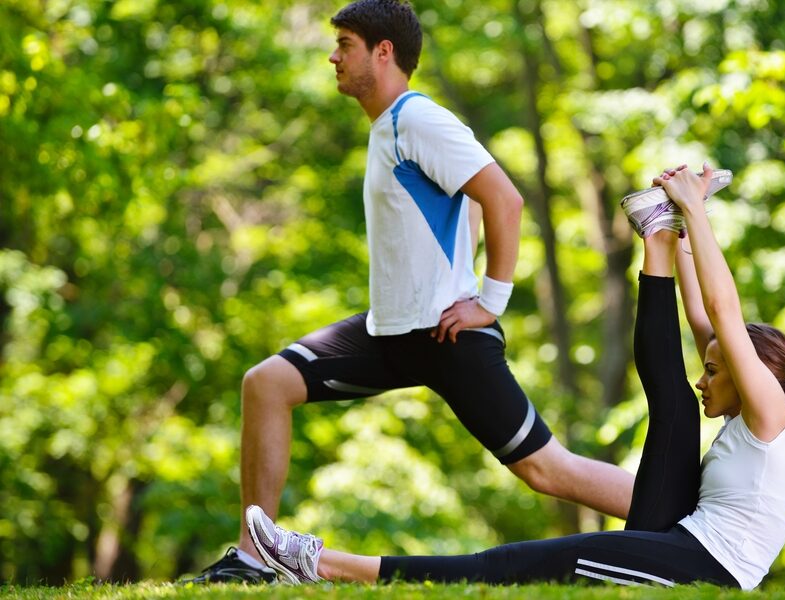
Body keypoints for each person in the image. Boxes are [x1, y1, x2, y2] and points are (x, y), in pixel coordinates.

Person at [188, 0, 640, 583]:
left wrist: (486, 302)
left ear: (384, 52)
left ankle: (690, 524)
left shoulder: (417, 119)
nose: (333, 56)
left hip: (445, 335)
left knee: (545, 471)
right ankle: (256, 557)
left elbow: (504, 198)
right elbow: (469, 203)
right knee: (267, 383)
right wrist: (460, 264)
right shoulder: (386, 129)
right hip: (389, 332)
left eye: (345, 44)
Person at [242, 164, 785, 589]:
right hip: (683, 530)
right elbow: (704, 320)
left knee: (509, 565)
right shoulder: (752, 403)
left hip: (706, 567)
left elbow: (723, 313)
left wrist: (698, 208)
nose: (706, 378)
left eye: (716, 371)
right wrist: (678, 237)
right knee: (669, 396)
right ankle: (655, 234)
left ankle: (317, 563)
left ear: (755, 378)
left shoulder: (769, 413)